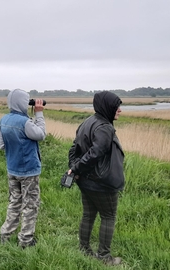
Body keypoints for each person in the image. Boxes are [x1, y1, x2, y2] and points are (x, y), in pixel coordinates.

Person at [67, 91, 124, 266]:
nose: (120, 110)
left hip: (86, 181)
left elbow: (73, 149)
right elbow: (95, 153)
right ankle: (105, 257)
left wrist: (75, 169)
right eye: (117, 106)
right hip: (102, 183)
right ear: (107, 106)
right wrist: (75, 168)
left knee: (88, 215)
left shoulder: (87, 122)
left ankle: (84, 250)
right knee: (108, 216)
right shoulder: (104, 127)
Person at [0, 89, 46, 248]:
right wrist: (39, 114)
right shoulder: (24, 122)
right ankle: (25, 240)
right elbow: (41, 134)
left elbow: (1, 145)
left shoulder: (3, 120)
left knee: (14, 202)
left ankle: (5, 235)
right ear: (22, 103)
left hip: (12, 168)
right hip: (29, 171)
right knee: (30, 205)